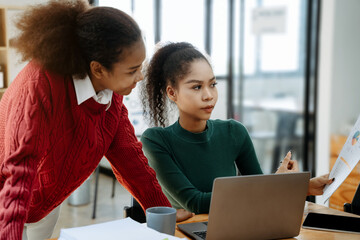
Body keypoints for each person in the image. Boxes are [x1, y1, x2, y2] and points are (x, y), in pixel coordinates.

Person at [0, 1, 172, 239]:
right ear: (98, 69)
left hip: (44, 205)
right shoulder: (40, 86)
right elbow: (18, 174)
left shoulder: (111, 93)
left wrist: (163, 210)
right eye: (132, 70)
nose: (140, 77)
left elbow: (128, 155)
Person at [140, 42, 334, 216]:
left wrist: (301, 187)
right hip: (187, 232)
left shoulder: (234, 132)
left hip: (235, 224)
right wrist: (273, 185)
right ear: (172, 93)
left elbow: (258, 190)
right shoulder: (156, 140)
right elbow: (195, 203)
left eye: (212, 84)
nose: (209, 96)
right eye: (197, 87)